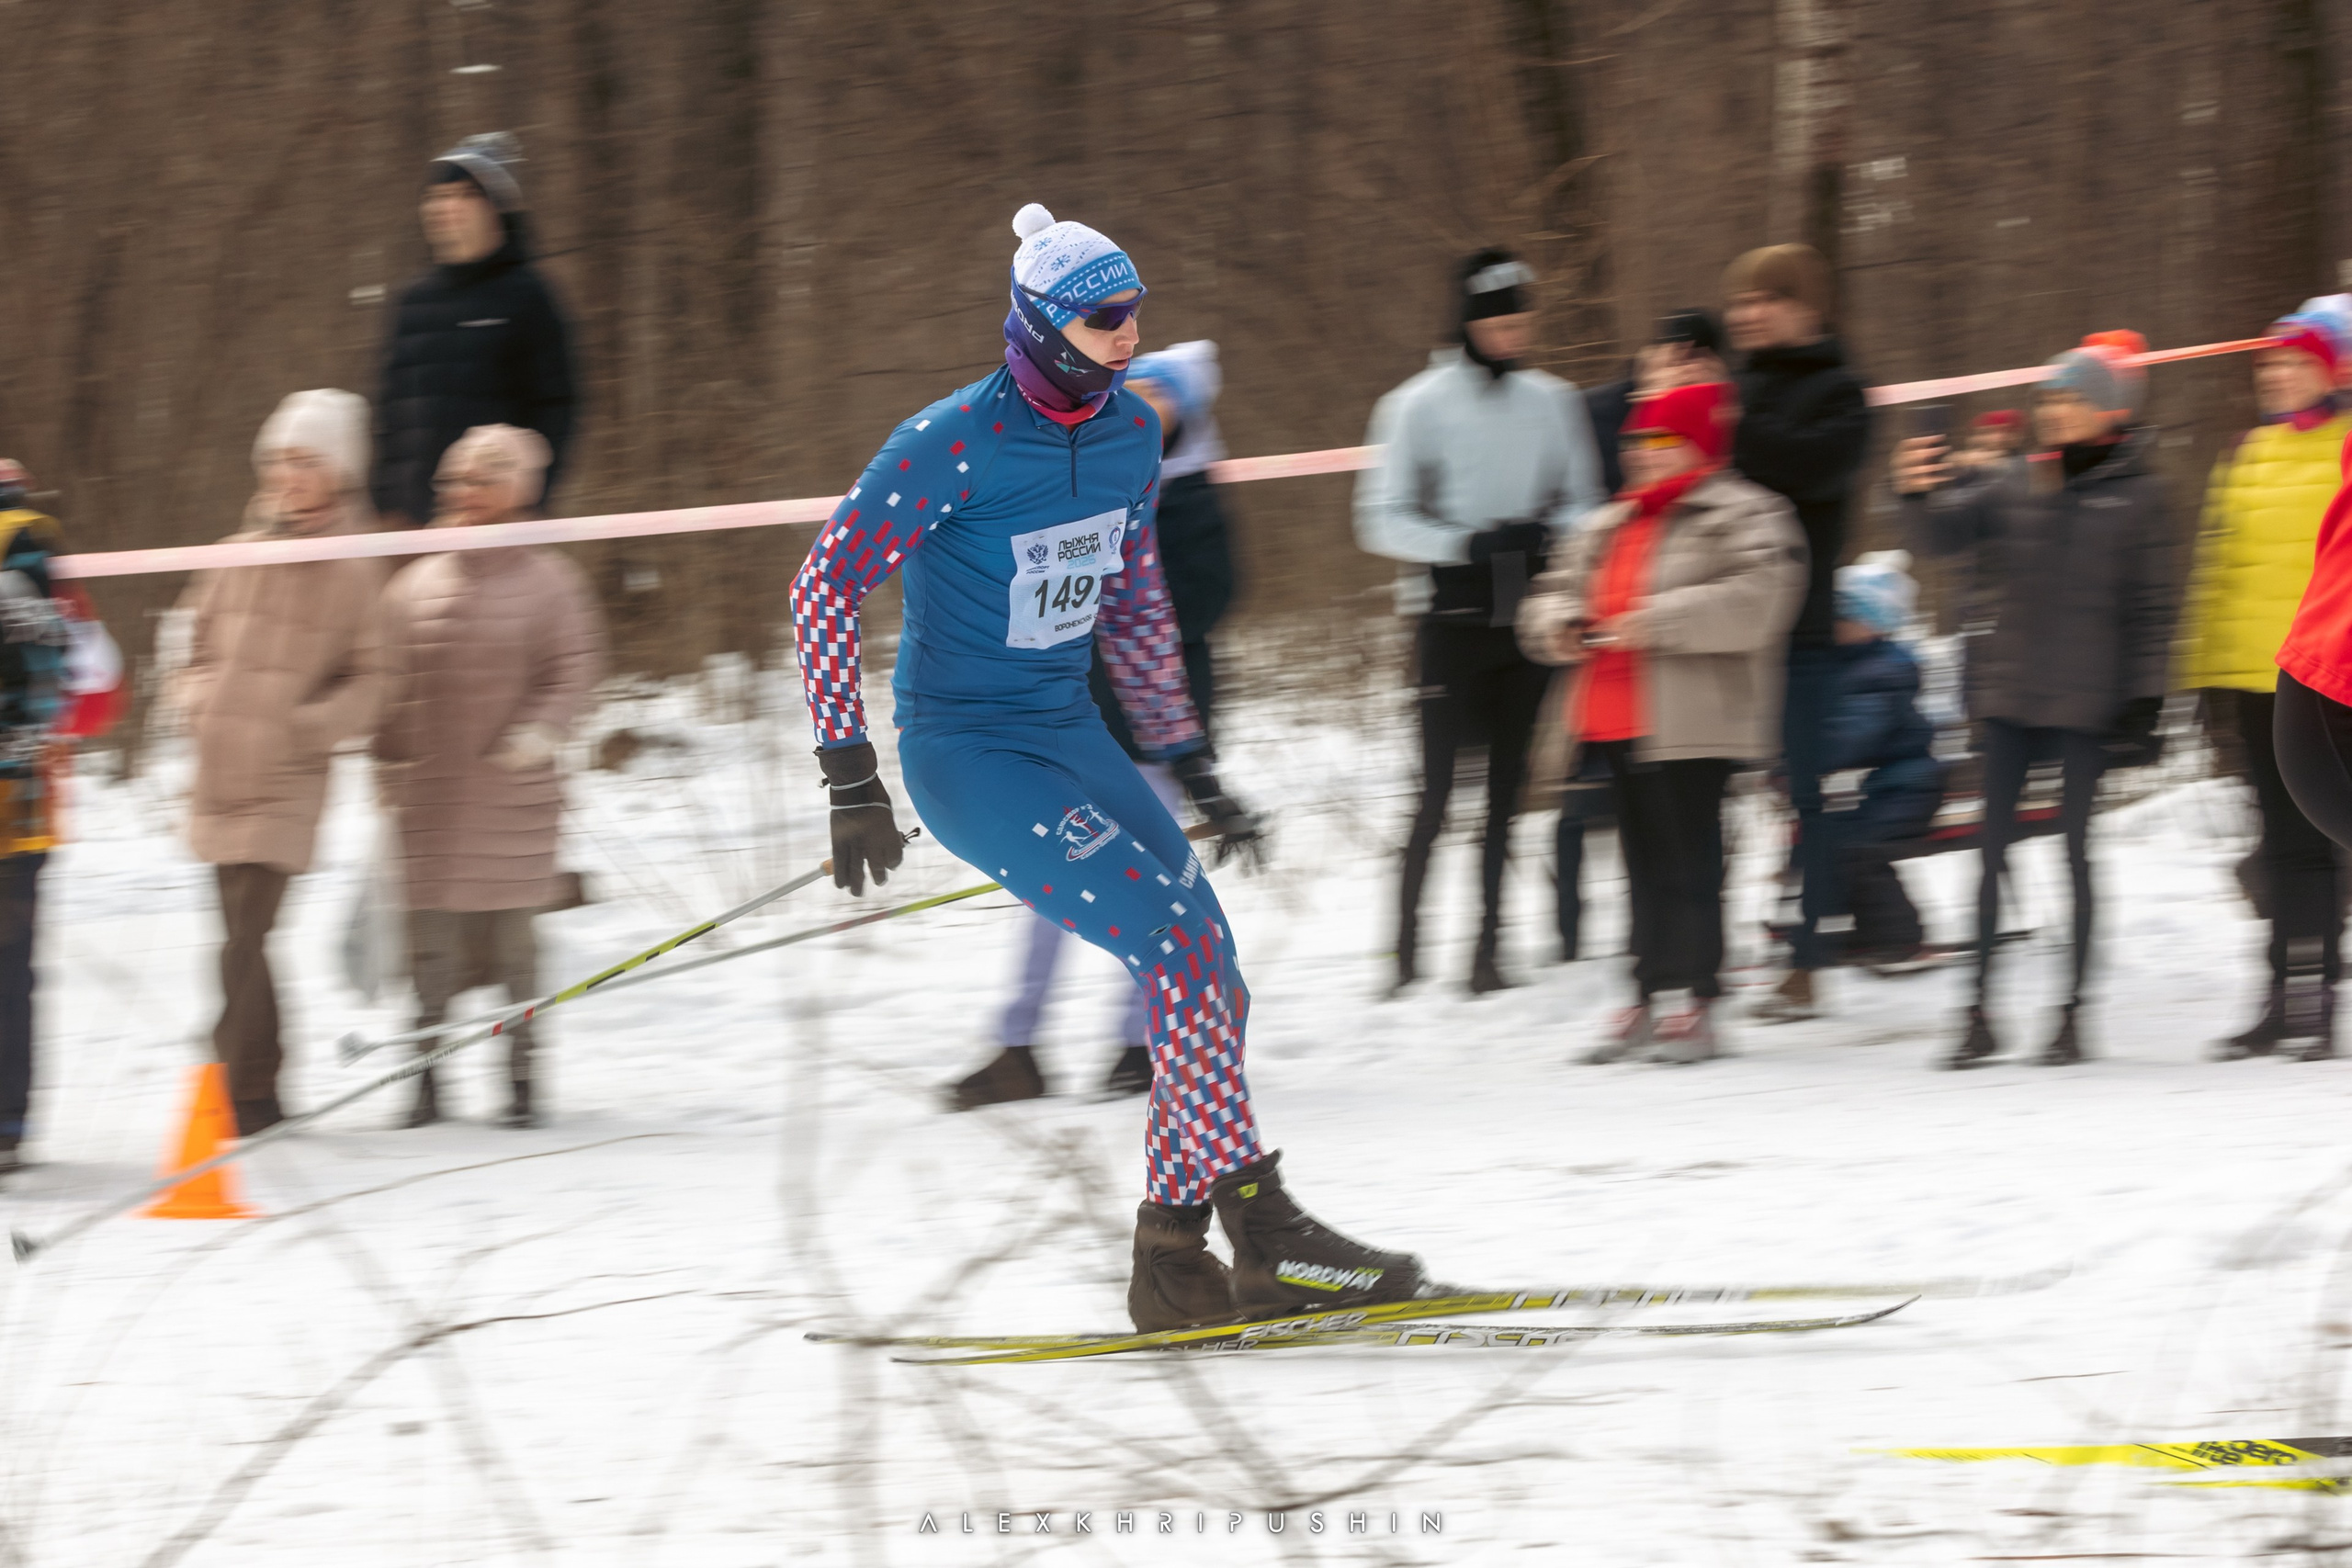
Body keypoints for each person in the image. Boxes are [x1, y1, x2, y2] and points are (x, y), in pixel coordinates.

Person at [790, 202, 1422, 1333]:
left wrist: (1191, 757)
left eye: (1136, 314)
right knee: (1177, 947)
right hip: (970, 750)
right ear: (1038, 325)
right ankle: (1249, 1237)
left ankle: (1187, 1255)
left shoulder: (1135, 436)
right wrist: (849, 771)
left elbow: (1133, 603)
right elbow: (823, 586)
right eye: (1102, 318)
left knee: (1209, 970)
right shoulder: (949, 441)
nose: (1128, 336)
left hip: (1072, 733)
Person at [946, 339, 1252, 1110]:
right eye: (1138, 390)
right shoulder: (1091, 482)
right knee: (1050, 883)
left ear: (1188, 410)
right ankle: (1020, 1044)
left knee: (1147, 886)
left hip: (1157, 725)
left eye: (1165, 395)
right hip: (1070, 716)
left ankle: (1142, 1044)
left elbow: (1206, 603)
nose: (1149, 405)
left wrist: (1129, 603)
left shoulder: (1190, 499)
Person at [1896, 331, 2177, 1068]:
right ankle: (1978, 1012)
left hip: (2089, 702)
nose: (2055, 413)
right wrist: (1914, 489)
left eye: (2072, 399)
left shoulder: (2143, 493)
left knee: (2077, 858)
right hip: (2010, 695)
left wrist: (2147, 704)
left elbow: (2156, 608)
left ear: (2109, 409)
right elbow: (1939, 536)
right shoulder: (2017, 480)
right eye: (2048, 400)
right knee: (1990, 855)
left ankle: (2072, 1013)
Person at [1518, 381, 1805, 1064]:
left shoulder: (1747, 512)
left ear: (1698, 443)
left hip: (1691, 717)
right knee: (1640, 864)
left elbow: (1759, 598)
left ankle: (1698, 998)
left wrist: (1654, 623)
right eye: (1635, 443)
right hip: (1611, 715)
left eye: (1659, 441)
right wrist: (1560, 625)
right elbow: (1550, 592)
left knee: (1691, 860)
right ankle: (1647, 993)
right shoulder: (1609, 521)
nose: (1643, 455)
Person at [1355, 248, 1605, 995]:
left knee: (1506, 794)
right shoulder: (1415, 405)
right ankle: (1404, 952)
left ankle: (1488, 950)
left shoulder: (1554, 401)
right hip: (1448, 619)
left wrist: (1547, 533)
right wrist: (1465, 543)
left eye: (1521, 321)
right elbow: (1380, 517)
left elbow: (1587, 500)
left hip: (1526, 619)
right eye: (1497, 320)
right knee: (1436, 793)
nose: (1510, 334)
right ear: (1467, 321)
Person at [376, 425, 605, 1128]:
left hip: (515, 799)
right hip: (433, 804)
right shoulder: (416, 580)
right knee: (430, 956)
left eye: (483, 481)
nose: (466, 495)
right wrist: (385, 757)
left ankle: (523, 1081)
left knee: (515, 952)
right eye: (457, 482)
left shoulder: (550, 580)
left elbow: (576, 667)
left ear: (517, 491)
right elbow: (387, 679)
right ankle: (424, 1084)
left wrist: (542, 730)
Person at [175, 392, 389, 1136]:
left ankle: (240, 1083)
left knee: (246, 935)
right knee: (238, 940)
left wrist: (310, 726)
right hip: (219, 770)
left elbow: (375, 678)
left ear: (339, 473)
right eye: (277, 460)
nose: (287, 475)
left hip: (286, 778)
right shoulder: (234, 552)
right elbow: (191, 643)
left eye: (305, 461)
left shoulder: (355, 567)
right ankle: (259, 1085)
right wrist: (197, 702)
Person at [2179, 299, 2352, 1059]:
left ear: (2333, 367)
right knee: (2277, 846)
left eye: (2295, 361)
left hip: (2326, 676)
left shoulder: (2345, 444)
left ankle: (2321, 1000)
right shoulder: (2249, 451)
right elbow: (2222, 566)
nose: (2279, 375)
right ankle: (2280, 995)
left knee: (2317, 844)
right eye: (2270, 364)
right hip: (2252, 674)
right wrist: (2201, 667)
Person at [1722, 244, 1872, 1025]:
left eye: (1767, 299)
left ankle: (1811, 954)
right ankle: (1706, 955)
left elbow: (1808, 470)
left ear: (1807, 307)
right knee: (1709, 786)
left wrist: (1725, 429)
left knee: (1808, 795)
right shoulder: (1733, 385)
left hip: (1800, 628)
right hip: (1722, 627)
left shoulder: (1841, 392)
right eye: (1741, 301)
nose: (1748, 313)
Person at [0, 462, 122, 1175]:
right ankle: (9, 1125)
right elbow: (100, 687)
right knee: (12, 971)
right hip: (23, 809)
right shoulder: (44, 562)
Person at [372, 134, 578, 530]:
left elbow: (557, 407)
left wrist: (533, 496)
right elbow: (388, 413)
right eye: (436, 195)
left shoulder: (529, 296)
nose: (445, 207)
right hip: (409, 524)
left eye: (465, 194)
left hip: (493, 520)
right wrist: (383, 501)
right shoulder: (412, 299)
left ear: (497, 208)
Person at [1817, 552, 1945, 968]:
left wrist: (1809, 759)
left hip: (1912, 787)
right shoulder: (1860, 665)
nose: (1837, 628)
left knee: (1862, 850)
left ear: (1870, 624)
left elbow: (1855, 734)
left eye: (1845, 619)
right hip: (1893, 786)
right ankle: (1869, 931)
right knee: (1840, 842)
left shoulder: (1881, 672)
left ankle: (1904, 940)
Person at [1585, 310, 1728, 496]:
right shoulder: (1600, 408)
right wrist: (1652, 401)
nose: (1686, 371)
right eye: (1680, 358)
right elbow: (1634, 474)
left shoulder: (1718, 404)